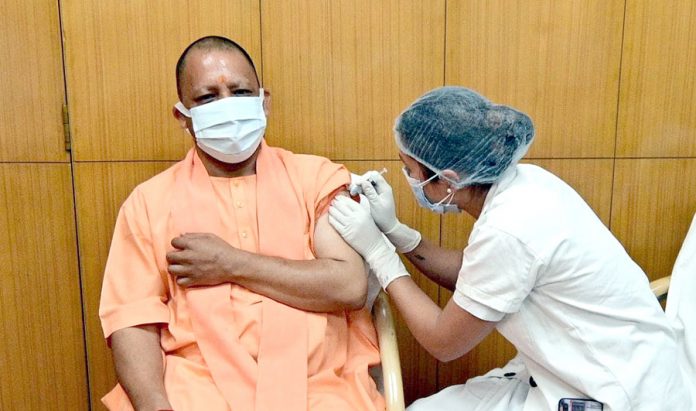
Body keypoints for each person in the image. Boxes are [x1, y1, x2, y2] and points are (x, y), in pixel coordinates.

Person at [329, 86, 694, 410]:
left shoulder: (509, 230)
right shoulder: (527, 184)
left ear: (448, 181)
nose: (408, 179)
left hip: (620, 393)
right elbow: (475, 274)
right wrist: (397, 233)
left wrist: (380, 256)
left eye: (409, 169)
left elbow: (443, 342)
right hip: (615, 366)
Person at [98, 36, 385, 411]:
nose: (227, 106)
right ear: (183, 116)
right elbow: (132, 320)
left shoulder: (316, 178)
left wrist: (231, 263)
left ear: (264, 102)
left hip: (318, 385)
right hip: (197, 388)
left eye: (240, 92)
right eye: (208, 97)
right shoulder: (148, 203)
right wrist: (155, 405)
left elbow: (348, 284)